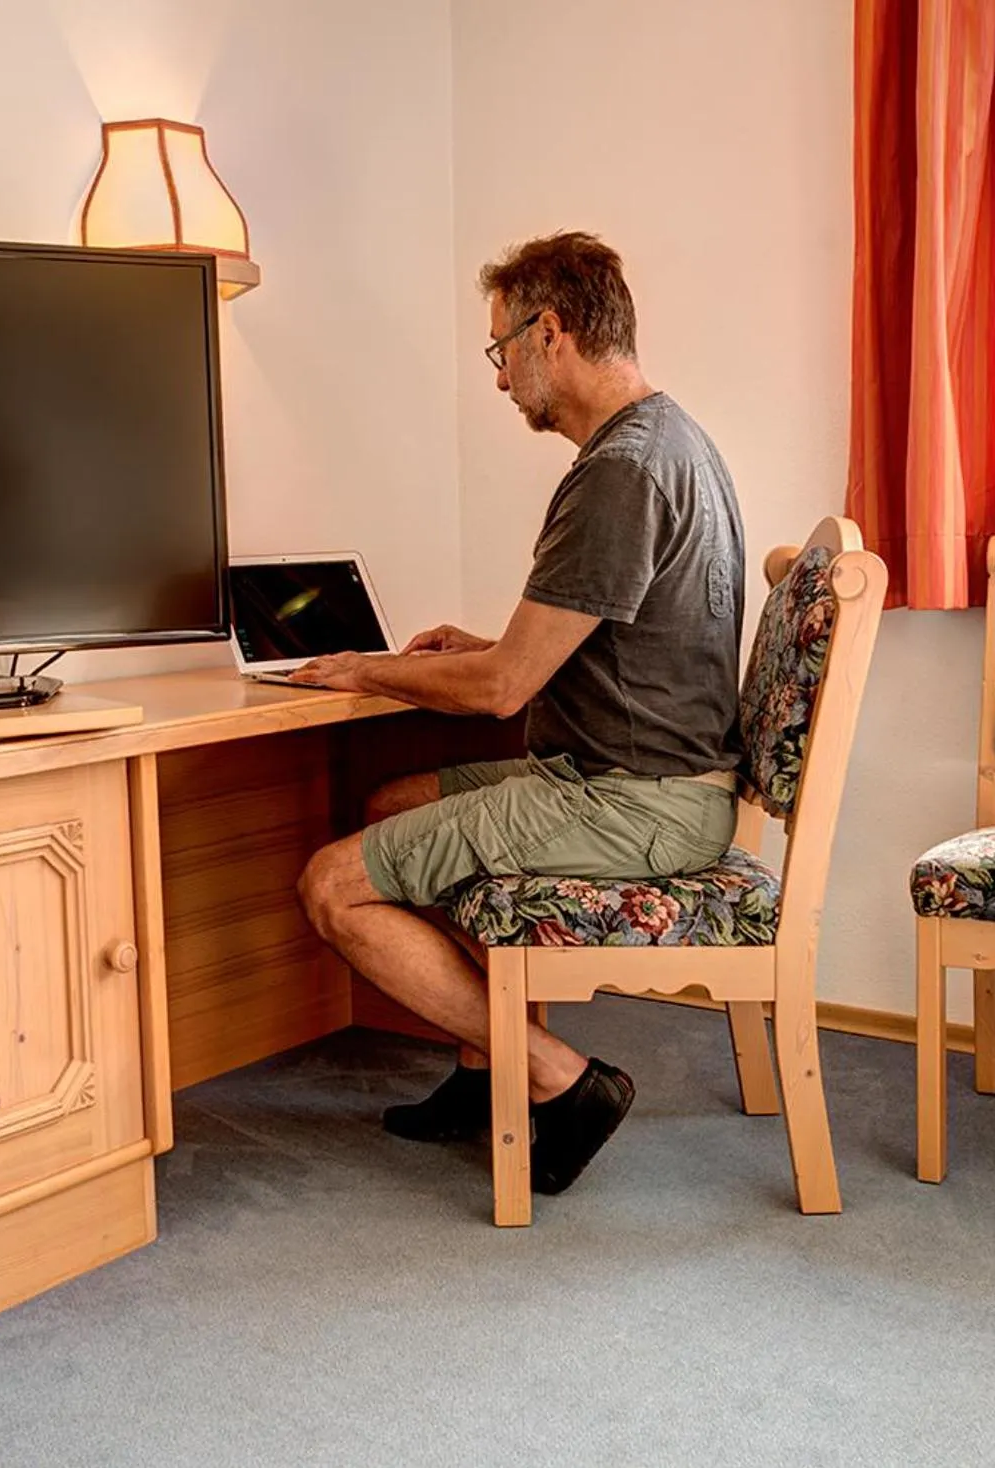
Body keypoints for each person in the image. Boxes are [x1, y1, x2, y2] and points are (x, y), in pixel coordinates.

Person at [292, 231, 747, 1196]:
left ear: (550, 332)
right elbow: (575, 647)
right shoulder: (671, 440)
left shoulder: (620, 472)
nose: (500, 379)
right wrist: (476, 647)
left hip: (631, 801)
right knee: (390, 805)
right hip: (651, 779)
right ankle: (484, 1067)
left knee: (332, 886)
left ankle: (560, 1079)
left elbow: (503, 692)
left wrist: (369, 671)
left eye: (501, 350)